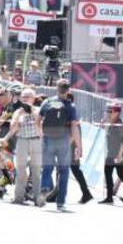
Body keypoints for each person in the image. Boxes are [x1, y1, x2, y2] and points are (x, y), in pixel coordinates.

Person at [39, 79, 82, 211]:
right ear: (68, 90)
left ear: (56, 89)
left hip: (48, 139)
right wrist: (78, 146)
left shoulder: (47, 102)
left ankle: (44, 187)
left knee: (47, 167)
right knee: (64, 171)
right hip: (63, 140)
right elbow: (74, 127)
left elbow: (38, 120)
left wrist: (41, 134)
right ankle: (61, 202)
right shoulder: (70, 106)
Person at [4, 88, 42, 206]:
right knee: (20, 170)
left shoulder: (38, 110)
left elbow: (40, 124)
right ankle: (18, 197)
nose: (25, 99)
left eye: (28, 97)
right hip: (22, 141)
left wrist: (31, 111)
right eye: (23, 97)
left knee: (36, 171)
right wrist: (19, 117)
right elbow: (13, 128)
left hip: (36, 141)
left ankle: (38, 198)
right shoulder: (18, 111)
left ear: (33, 99)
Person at [65, 91, 93, 204]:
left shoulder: (71, 111)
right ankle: (86, 193)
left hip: (71, 146)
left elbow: (74, 132)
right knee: (72, 169)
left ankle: (86, 193)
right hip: (72, 145)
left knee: (74, 169)